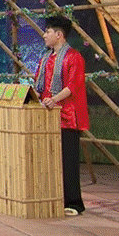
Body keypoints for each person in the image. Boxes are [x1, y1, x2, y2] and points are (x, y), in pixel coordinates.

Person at [34, 15, 88, 216]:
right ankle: (53, 197)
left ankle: (74, 203)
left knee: (68, 161)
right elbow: (39, 85)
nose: (44, 35)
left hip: (67, 116)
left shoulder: (73, 57)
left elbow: (73, 86)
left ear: (59, 34)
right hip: (47, 115)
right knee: (49, 159)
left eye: (47, 31)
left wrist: (54, 99)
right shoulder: (45, 58)